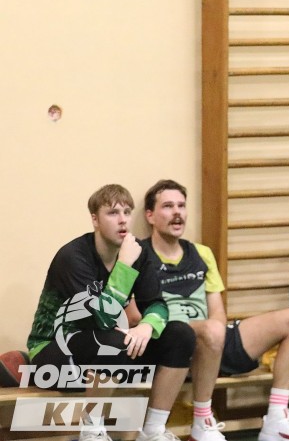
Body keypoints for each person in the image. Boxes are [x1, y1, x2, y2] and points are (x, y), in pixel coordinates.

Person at [136, 179, 289, 441]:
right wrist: (205, 333)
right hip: (171, 344)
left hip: (211, 339)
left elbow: (218, 312)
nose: (177, 213)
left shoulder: (201, 253)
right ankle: (202, 420)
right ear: (150, 216)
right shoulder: (138, 255)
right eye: (168, 206)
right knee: (206, 331)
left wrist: (215, 337)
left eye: (181, 206)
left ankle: (277, 418)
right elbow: (135, 316)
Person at [26, 184, 196, 441]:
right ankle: (92, 429)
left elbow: (158, 305)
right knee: (113, 342)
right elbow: (101, 319)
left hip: (106, 355)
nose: (123, 220)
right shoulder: (73, 257)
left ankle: (153, 430)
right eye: (113, 213)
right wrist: (124, 265)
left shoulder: (138, 253)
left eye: (127, 212)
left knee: (180, 334)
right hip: (53, 354)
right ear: (95, 219)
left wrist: (146, 326)